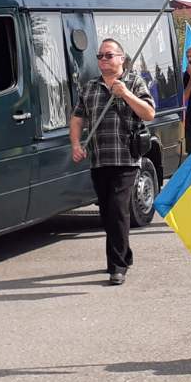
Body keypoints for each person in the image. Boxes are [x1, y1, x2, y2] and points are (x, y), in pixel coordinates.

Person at [69, 37, 156, 286]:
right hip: (99, 159)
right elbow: (77, 118)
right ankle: (124, 255)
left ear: (121, 58)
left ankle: (117, 266)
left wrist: (126, 93)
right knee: (108, 213)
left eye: (108, 55)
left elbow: (149, 113)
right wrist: (76, 144)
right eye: (100, 56)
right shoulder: (89, 87)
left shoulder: (134, 81)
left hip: (126, 159)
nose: (103, 60)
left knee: (119, 209)